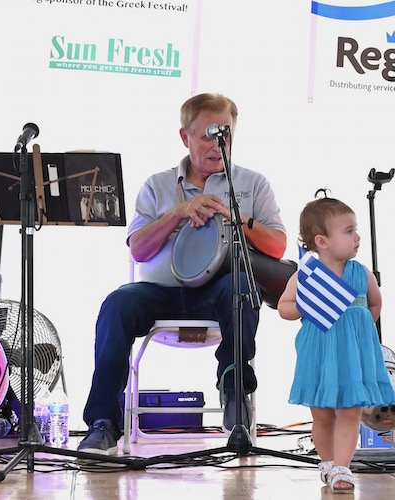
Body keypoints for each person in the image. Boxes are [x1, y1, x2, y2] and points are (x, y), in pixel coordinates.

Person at [77, 93, 288, 455]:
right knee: (116, 304)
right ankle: (104, 423)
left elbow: (278, 247)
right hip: (160, 293)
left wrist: (236, 217)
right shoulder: (157, 185)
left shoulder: (252, 185)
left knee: (241, 285)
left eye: (225, 134)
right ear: (184, 136)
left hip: (218, 293)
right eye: (207, 134)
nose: (216, 144)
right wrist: (178, 213)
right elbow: (138, 249)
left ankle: (235, 394)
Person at [277, 193, 395, 494]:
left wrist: (359, 332)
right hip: (319, 354)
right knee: (322, 414)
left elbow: (375, 304)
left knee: (350, 410)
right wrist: (306, 306)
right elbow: (284, 307)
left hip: (352, 356)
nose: (357, 237)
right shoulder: (306, 276)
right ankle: (328, 462)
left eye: (356, 230)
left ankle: (343, 467)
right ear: (322, 241)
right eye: (348, 231)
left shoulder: (361, 273)